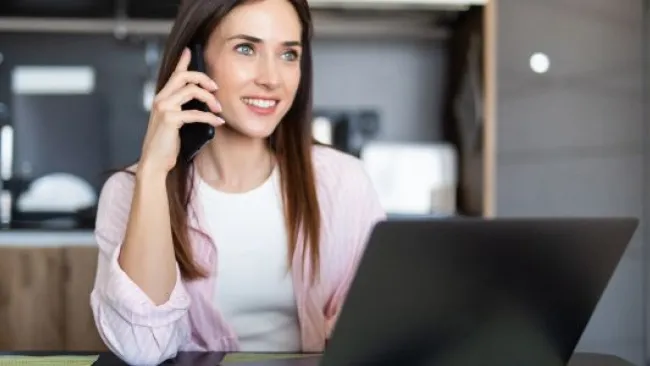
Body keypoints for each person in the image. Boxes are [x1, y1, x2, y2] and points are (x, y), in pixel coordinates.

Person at [89, 0, 385, 364]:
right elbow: (141, 350)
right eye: (246, 48)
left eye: (289, 54)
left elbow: (376, 331)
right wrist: (153, 171)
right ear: (195, 59)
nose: (272, 78)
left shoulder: (344, 183)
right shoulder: (129, 191)